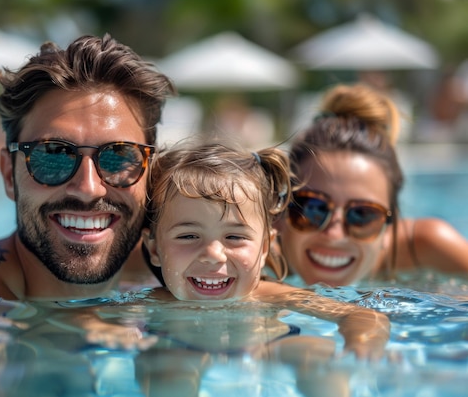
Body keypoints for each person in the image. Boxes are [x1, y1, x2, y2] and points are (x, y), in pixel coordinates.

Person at [56, 138, 389, 397]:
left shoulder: (272, 296)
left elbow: (361, 315)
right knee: (168, 368)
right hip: (180, 348)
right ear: (155, 250)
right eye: (188, 235)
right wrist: (102, 328)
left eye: (234, 236)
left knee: (316, 357)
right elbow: (74, 316)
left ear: (264, 248)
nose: (213, 255)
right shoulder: (156, 302)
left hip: (267, 348)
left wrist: (360, 344)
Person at [0, 34, 176, 301]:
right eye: (54, 153)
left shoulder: (175, 258)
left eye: (118, 155)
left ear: (150, 173)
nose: (88, 189)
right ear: (8, 174)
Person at [276, 83, 468, 287]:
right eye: (311, 207)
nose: (334, 234)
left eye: (363, 215)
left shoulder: (426, 246)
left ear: (389, 222)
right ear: (281, 211)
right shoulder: (251, 255)